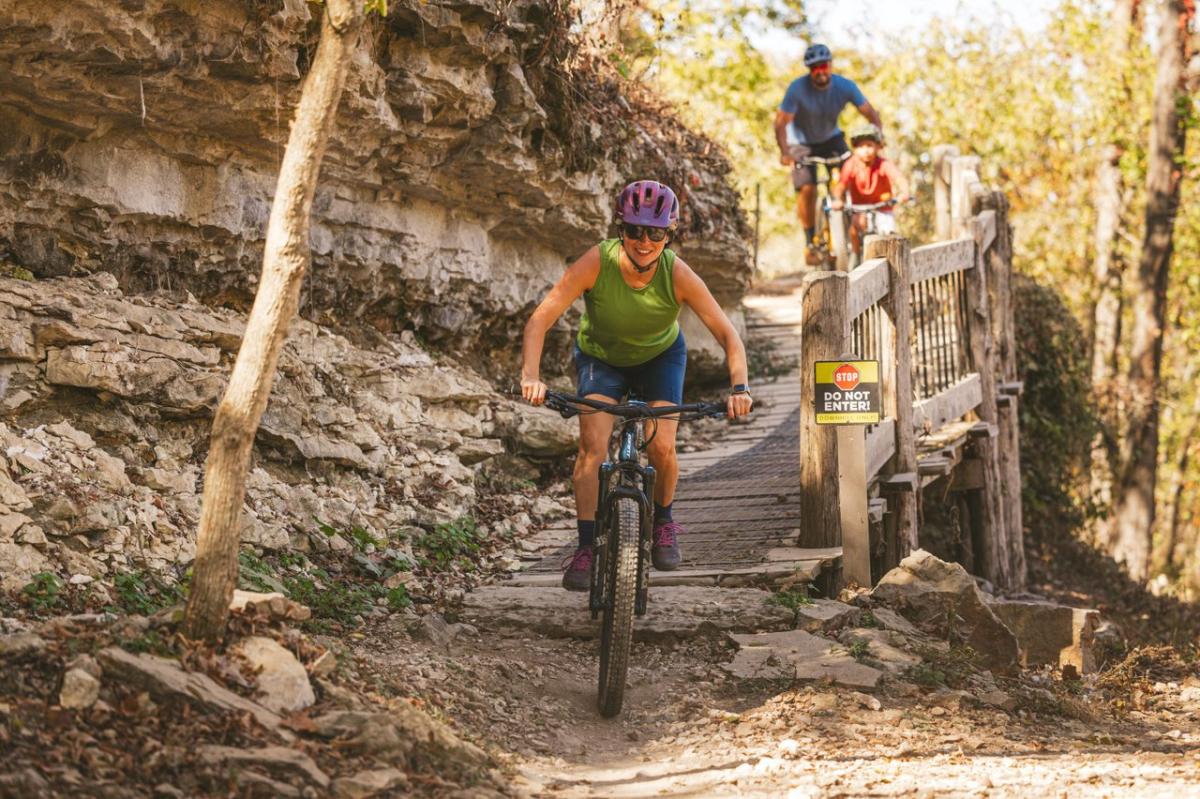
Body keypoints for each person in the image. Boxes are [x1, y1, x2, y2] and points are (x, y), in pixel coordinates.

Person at [520, 180, 754, 591]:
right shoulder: (597, 262)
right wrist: (530, 377)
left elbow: (728, 336)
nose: (644, 242)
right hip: (600, 359)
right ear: (620, 228)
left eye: (656, 233)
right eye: (634, 230)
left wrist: (739, 388)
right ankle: (587, 545)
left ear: (670, 233)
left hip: (660, 359)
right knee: (592, 449)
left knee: (662, 445)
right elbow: (540, 319)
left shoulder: (678, 273)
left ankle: (663, 520)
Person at [774, 43, 883, 265]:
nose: (820, 71)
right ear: (809, 70)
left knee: (853, 173)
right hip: (801, 143)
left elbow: (870, 112)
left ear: (830, 65)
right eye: (815, 68)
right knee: (807, 187)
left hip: (831, 138)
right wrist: (785, 152)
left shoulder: (845, 86)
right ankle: (810, 242)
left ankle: (855, 224)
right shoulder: (797, 89)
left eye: (824, 66)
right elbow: (780, 123)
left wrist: (879, 138)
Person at [831, 124, 912, 256]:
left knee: (889, 236)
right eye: (861, 147)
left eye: (869, 145)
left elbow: (899, 179)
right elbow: (841, 185)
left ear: (877, 147)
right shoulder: (850, 164)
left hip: (883, 208)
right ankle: (856, 258)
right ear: (855, 149)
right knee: (855, 229)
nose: (866, 150)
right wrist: (838, 200)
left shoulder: (883, 164)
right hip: (859, 208)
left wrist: (905, 192)